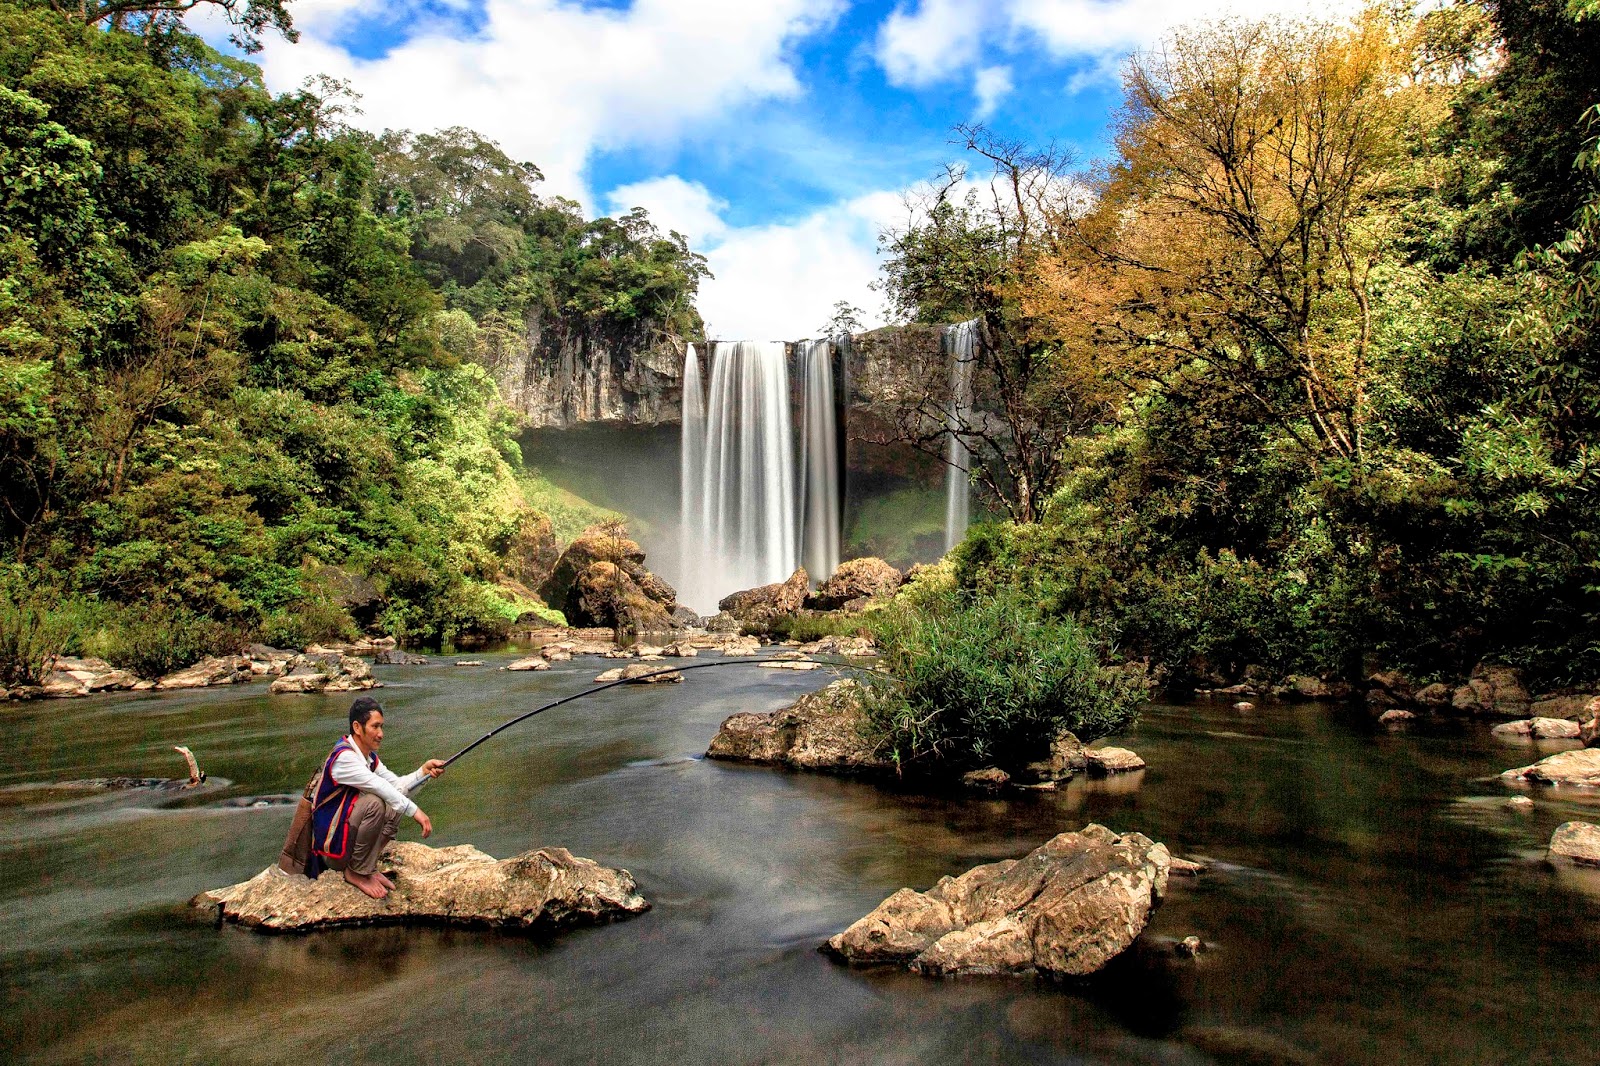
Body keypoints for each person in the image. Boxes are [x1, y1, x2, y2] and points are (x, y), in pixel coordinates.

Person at [279, 696, 446, 900]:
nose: (381, 734)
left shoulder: (369, 758)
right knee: (375, 803)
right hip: (330, 853)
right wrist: (416, 812)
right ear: (357, 727)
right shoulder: (344, 758)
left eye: (381, 727)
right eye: (375, 727)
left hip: (346, 843)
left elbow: (397, 788)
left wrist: (423, 773)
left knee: (394, 803)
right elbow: (380, 787)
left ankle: (367, 867)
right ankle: (356, 872)